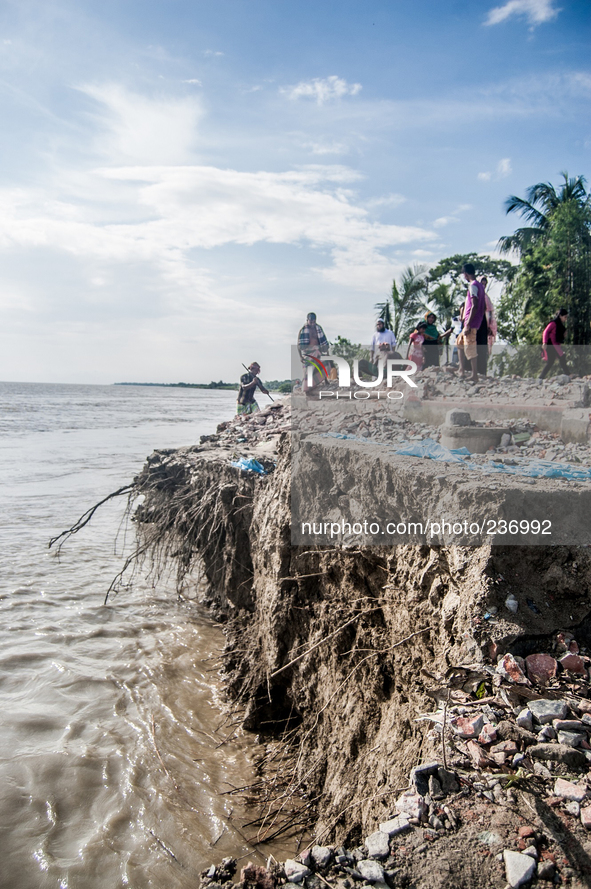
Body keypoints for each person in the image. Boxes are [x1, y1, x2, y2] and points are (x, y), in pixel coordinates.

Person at [461, 263, 486, 383]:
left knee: (470, 348)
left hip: (471, 322)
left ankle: (474, 374)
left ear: (465, 274)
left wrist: (468, 324)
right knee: (460, 342)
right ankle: (461, 369)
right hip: (474, 320)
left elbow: (474, 305)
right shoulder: (480, 286)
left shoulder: (473, 286)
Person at [298, 312, 329, 390]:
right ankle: (306, 386)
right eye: (310, 321)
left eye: (314, 322)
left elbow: (323, 341)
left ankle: (325, 380)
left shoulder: (318, 328)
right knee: (308, 371)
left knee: (324, 365)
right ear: (307, 320)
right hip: (308, 352)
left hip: (318, 350)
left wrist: (327, 353)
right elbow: (299, 344)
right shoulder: (303, 330)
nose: (312, 323)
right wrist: (300, 356)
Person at [539, 309, 569, 379]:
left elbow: (558, 337)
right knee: (562, 357)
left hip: (555, 345)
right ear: (560, 316)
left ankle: (541, 377)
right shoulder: (553, 323)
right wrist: (544, 342)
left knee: (550, 362)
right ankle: (568, 374)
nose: (566, 319)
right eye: (565, 317)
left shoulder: (560, 326)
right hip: (551, 344)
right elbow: (545, 332)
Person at [480, 276, 497, 356]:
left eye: (485, 284)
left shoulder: (486, 297)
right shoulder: (477, 296)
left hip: (486, 324)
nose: (483, 286)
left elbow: (489, 313)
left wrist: (489, 326)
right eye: (482, 283)